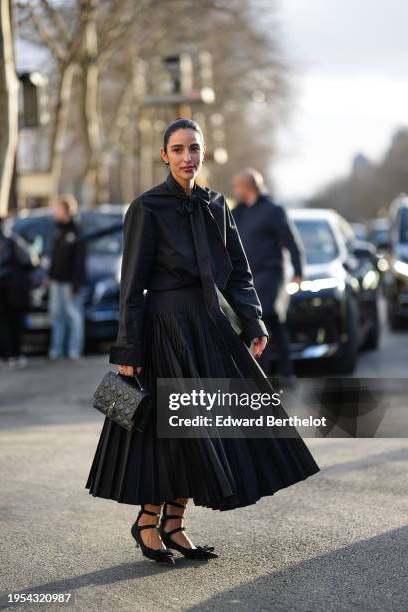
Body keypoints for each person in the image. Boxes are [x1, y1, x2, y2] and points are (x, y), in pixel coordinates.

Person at [85, 118, 320, 565]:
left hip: (209, 324)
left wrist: (253, 320)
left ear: (203, 153)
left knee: (210, 427)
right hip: (165, 328)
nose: (187, 157)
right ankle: (148, 521)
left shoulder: (216, 203)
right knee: (174, 431)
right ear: (164, 156)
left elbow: (238, 269)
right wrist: (128, 350)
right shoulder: (146, 207)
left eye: (194, 148)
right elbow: (131, 286)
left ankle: (174, 523)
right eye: (178, 149)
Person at [232, 168, 305, 384]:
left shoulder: (273, 210)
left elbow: (291, 242)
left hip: (271, 275)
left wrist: (298, 272)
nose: (235, 191)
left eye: (238, 186)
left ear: (248, 186)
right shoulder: (238, 213)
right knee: (274, 324)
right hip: (248, 279)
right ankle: (286, 372)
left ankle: (261, 377)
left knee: (260, 319)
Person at [47, 195, 86, 361]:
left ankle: (74, 350)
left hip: (70, 283)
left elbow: (79, 261)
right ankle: (56, 350)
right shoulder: (56, 230)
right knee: (57, 316)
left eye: (58, 209)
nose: (55, 212)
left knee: (74, 317)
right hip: (56, 282)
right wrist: (49, 276)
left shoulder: (76, 232)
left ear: (67, 211)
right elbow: (54, 258)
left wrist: (76, 285)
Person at [0, 216, 33, 369]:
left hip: (6, 288)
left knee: (4, 323)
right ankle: (15, 354)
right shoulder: (13, 240)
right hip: (14, 288)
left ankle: (7, 355)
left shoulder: (10, 240)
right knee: (15, 322)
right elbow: (29, 260)